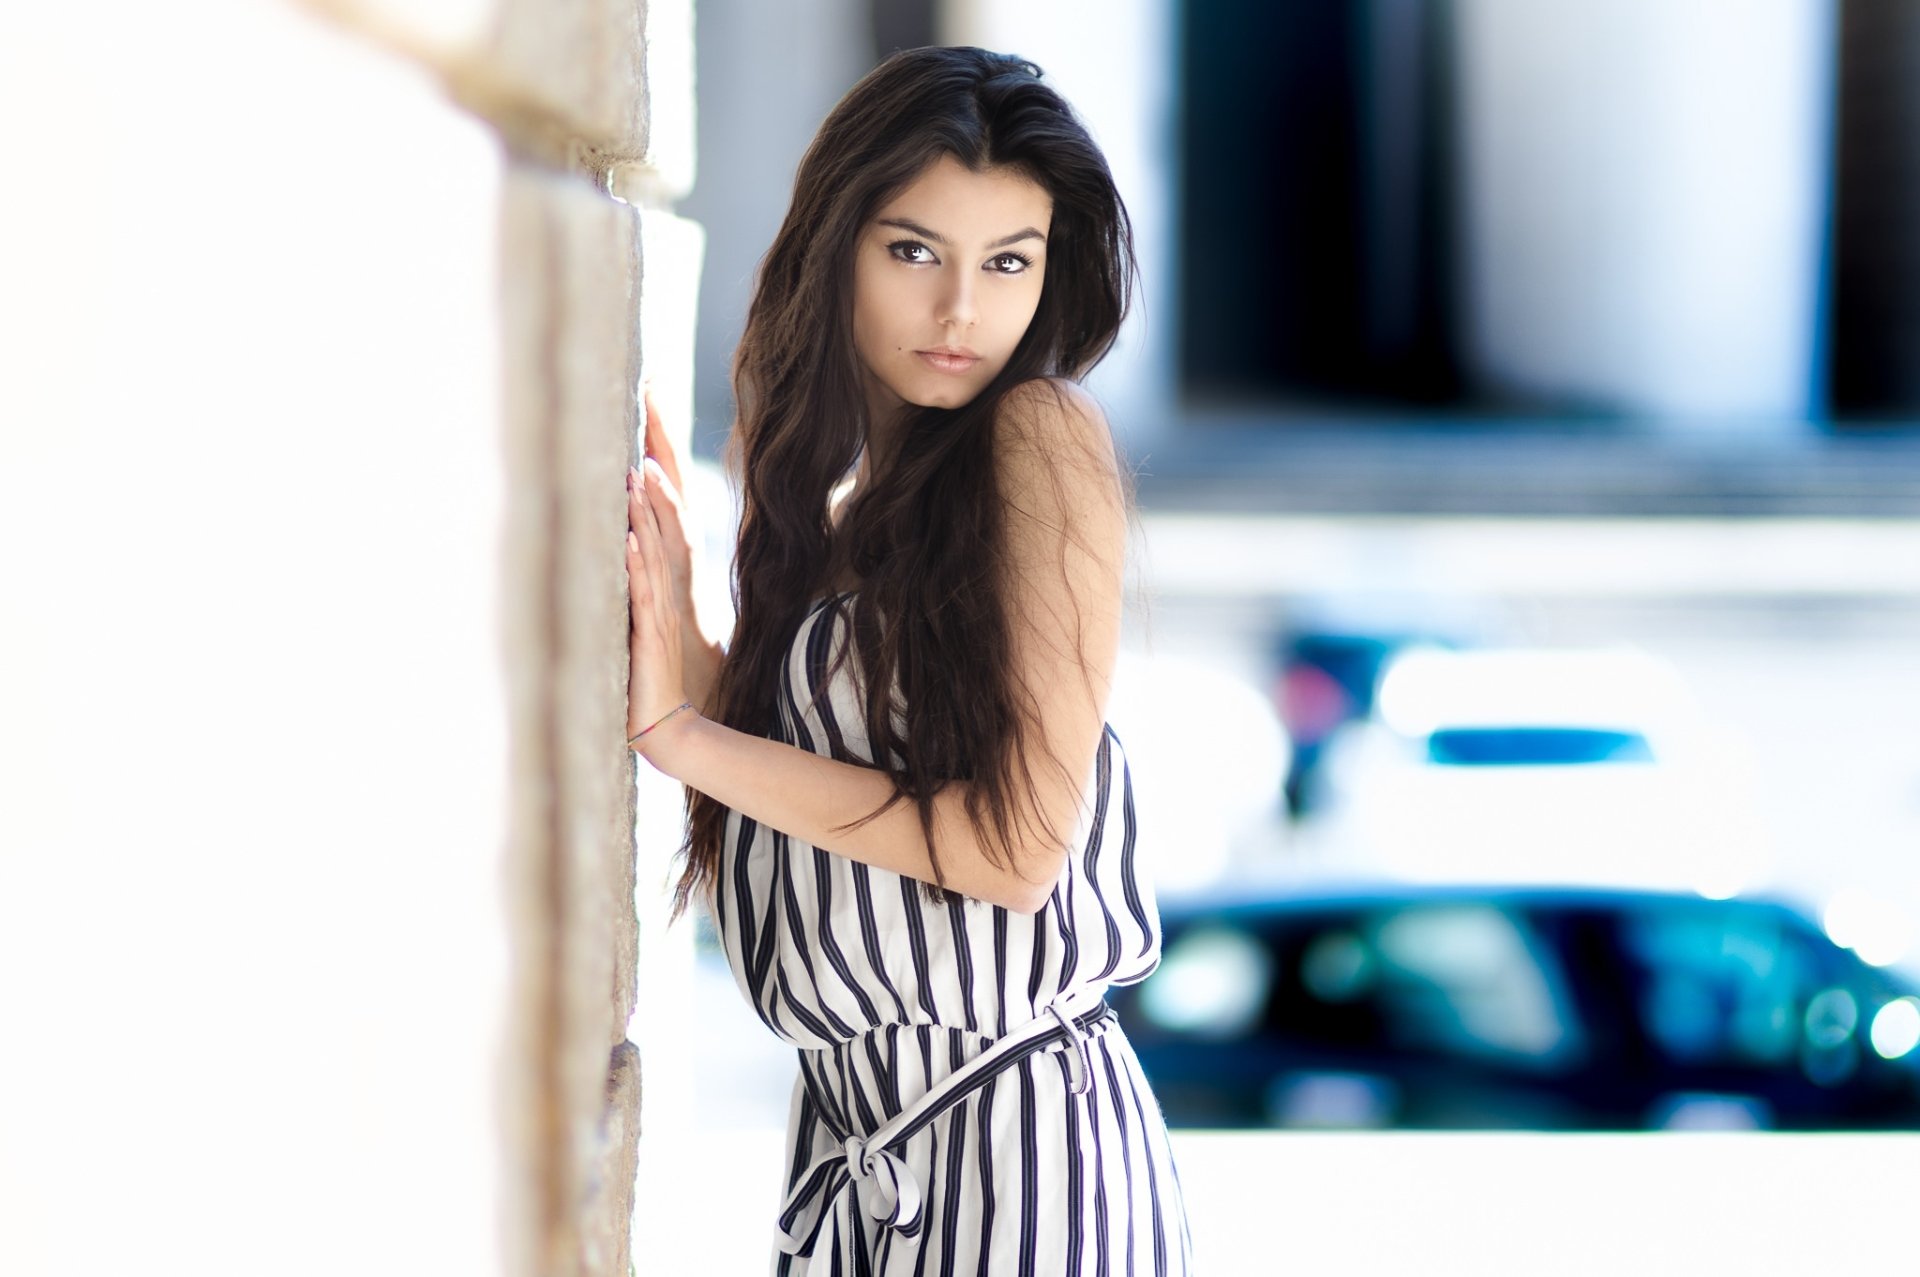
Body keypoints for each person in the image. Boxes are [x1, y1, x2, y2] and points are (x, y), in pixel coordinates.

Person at [623, 46, 1196, 1275]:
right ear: (837, 246)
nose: (961, 313)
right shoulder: (844, 519)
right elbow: (838, 789)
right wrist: (693, 649)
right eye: (914, 250)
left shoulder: (1042, 441)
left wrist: (689, 734)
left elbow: (1010, 845)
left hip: (1024, 1153)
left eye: (1008, 262)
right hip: (857, 1152)